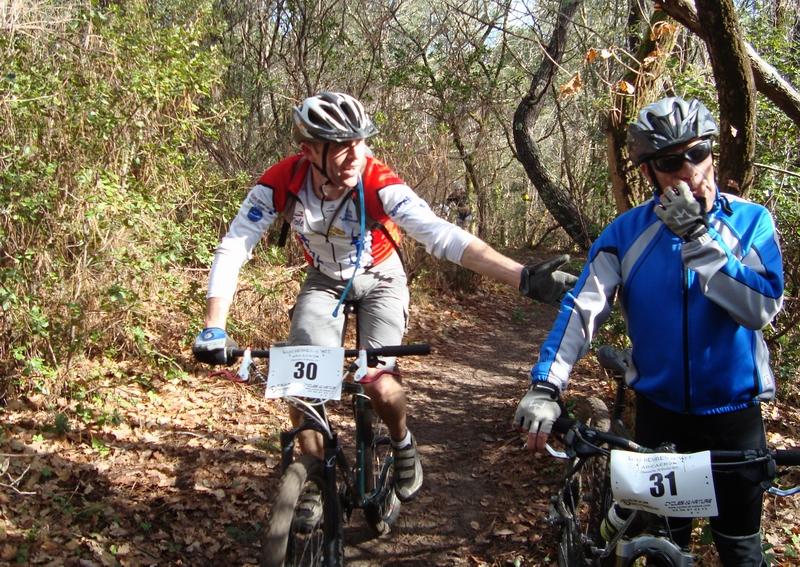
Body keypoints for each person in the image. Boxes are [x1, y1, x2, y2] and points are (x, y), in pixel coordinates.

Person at [192, 91, 577, 521]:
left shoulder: (378, 181)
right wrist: (214, 326)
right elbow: (234, 247)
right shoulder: (281, 181)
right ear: (309, 151)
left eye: (359, 142)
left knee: (378, 382)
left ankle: (401, 440)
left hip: (382, 278)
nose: (354, 154)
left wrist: (522, 277)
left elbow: (440, 235)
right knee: (301, 382)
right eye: (340, 146)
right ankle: (315, 476)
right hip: (324, 281)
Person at [513, 96, 783, 566]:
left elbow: (759, 309)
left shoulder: (751, 222)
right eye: (668, 161)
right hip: (662, 420)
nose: (687, 169)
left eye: (696, 152)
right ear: (649, 173)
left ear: (711, 154)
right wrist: (545, 385)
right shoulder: (626, 232)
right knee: (663, 549)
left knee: (741, 551)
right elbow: (583, 308)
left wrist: (700, 240)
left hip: (735, 418)